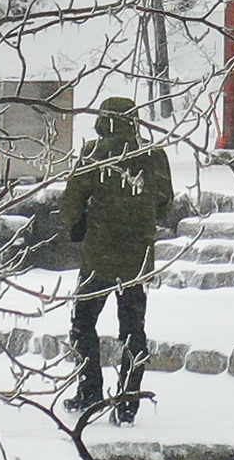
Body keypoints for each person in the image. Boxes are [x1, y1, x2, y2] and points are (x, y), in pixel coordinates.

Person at [64, 94, 172, 424]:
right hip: (137, 261)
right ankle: (127, 402)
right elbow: (165, 202)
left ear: (103, 120)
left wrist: (78, 227)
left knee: (83, 322)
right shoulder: (153, 155)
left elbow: (71, 203)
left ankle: (90, 390)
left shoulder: (94, 154)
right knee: (132, 330)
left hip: (98, 258)